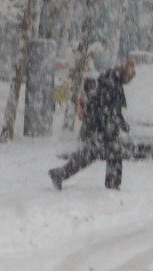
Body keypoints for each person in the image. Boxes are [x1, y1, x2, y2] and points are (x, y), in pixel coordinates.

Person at [50, 57, 136, 191]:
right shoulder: (112, 82)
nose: (131, 79)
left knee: (90, 155)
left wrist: (121, 123)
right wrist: (115, 123)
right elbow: (107, 108)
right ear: (125, 71)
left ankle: (60, 174)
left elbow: (110, 108)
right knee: (111, 153)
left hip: (97, 126)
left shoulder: (111, 79)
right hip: (100, 127)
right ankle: (112, 184)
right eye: (131, 75)